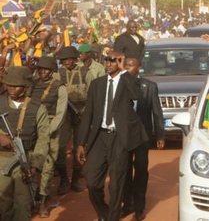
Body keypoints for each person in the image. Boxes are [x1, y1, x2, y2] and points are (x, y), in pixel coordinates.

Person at [76, 51, 149, 221]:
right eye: (106, 60)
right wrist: (81, 143)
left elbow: (136, 95)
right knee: (92, 182)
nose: (108, 63)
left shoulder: (128, 82)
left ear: (120, 62)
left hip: (120, 138)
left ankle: (113, 218)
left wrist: (124, 71)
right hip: (99, 138)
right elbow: (88, 115)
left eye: (113, 60)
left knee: (117, 183)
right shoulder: (96, 84)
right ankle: (104, 212)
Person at [0, 67, 50, 221]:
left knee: (23, 205)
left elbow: (43, 138)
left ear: (25, 87)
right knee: (3, 203)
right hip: (2, 160)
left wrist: (35, 165)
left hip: (26, 160)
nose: (11, 89)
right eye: (9, 85)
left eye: (16, 86)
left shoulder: (37, 108)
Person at [121, 57, 165, 220]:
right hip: (124, 135)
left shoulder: (150, 86)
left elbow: (157, 112)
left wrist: (160, 134)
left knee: (141, 170)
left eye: (131, 65)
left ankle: (139, 207)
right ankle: (127, 204)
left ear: (139, 67)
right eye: (125, 65)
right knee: (124, 170)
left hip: (143, 136)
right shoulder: (120, 84)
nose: (127, 68)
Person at [29, 57, 67, 218]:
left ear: (52, 71)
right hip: (32, 129)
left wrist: (47, 131)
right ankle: (32, 197)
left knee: (47, 167)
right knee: (30, 165)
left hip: (50, 130)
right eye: (40, 69)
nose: (43, 72)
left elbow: (60, 113)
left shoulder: (60, 87)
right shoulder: (32, 85)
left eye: (46, 69)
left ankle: (43, 202)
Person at [55, 45, 94, 194]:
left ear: (74, 59)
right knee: (60, 146)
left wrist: (88, 114)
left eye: (68, 59)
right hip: (64, 113)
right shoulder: (58, 74)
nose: (66, 62)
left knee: (80, 145)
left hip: (81, 112)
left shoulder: (85, 72)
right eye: (63, 60)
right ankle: (64, 180)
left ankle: (76, 178)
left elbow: (92, 94)